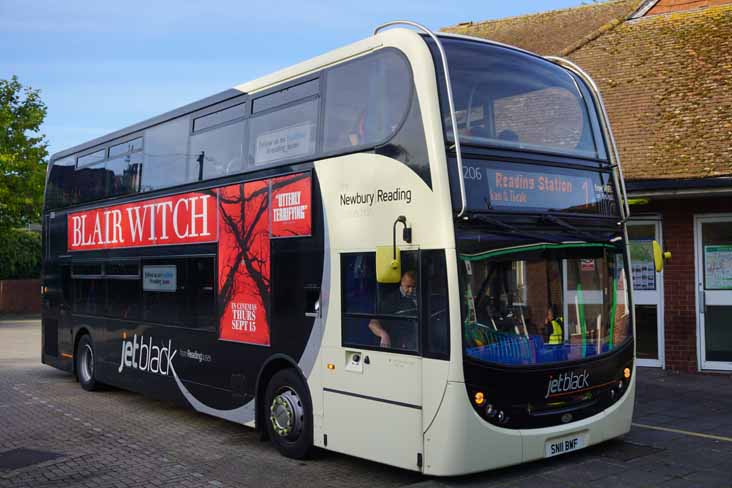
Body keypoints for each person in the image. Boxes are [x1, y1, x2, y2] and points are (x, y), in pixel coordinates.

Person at [368, 270, 418, 350]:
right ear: (402, 283)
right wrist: (384, 335)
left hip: (417, 342)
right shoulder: (390, 301)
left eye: (414, 287)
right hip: (400, 346)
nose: (411, 290)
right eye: (408, 286)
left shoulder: (420, 298)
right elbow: (373, 323)